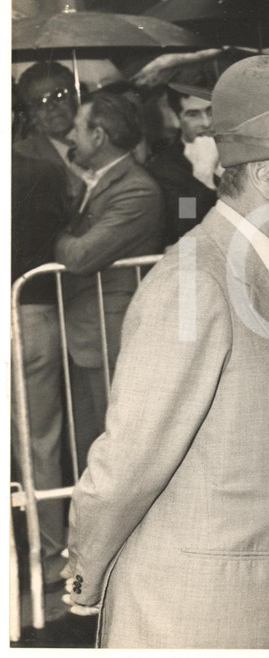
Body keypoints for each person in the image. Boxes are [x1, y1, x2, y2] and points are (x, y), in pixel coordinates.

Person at [65, 56, 269, 648]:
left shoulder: (256, 271)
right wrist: (84, 572)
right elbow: (127, 464)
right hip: (196, 620)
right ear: (266, 174)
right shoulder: (195, 284)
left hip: (254, 607)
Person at [55, 91, 165, 466]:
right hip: (89, 335)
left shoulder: (137, 189)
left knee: (115, 453)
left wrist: (50, 237)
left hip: (109, 336)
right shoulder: (102, 181)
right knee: (89, 450)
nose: (71, 135)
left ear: (99, 136)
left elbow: (82, 256)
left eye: (78, 128)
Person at [11, 152, 71, 592]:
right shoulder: (45, 170)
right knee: (42, 445)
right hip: (37, 312)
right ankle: (49, 559)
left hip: (19, 309)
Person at [146, 80, 219, 246]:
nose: (206, 123)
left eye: (211, 111)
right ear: (176, 119)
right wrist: (203, 176)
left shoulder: (242, 150)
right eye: (193, 115)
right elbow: (186, 226)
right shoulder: (167, 169)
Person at [14, 61, 89, 205]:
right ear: (32, 114)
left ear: (75, 97)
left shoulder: (105, 137)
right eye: (39, 103)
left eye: (58, 96)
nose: (51, 107)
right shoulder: (24, 157)